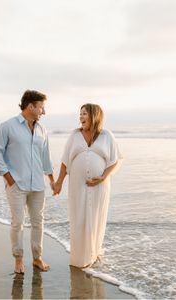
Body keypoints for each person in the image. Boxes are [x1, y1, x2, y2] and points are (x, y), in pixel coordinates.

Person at [0, 90, 54, 274]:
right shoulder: (8, 126)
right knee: (17, 223)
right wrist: (8, 177)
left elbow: (45, 157)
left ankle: (37, 258)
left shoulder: (42, 129)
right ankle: (18, 260)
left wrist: (51, 179)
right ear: (30, 106)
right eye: (41, 107)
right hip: (17, 184)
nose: (43, 112)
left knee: (38, 222)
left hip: (38, 186)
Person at [53, 103, 123, 268]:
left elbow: (117, 160)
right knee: (78, 218)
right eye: (80, 114)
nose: (81, 117)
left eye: (84, 114)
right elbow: (65, 161)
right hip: (77, 184)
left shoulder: (107, 136)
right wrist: (59, 183)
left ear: (94, 116)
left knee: (96, 217)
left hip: (100, 185)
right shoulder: (74, 135)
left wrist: (104, 176)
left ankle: (93, 255)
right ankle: (79, 259)